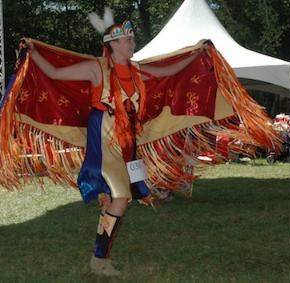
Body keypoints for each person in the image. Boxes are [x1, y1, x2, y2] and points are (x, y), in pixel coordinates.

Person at [28, 8, 199, 276]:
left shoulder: (136, 70)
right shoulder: (96, 68)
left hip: (128, 139)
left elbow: (169, 70)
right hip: (104, 134)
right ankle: (99, 258)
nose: (133, 43)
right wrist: (33, 52)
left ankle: (102, 244)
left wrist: (197, 55)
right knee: (121, 197)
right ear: (113, 45)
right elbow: (54, 73)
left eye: (132, 39)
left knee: (123, 198)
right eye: (128, 40)